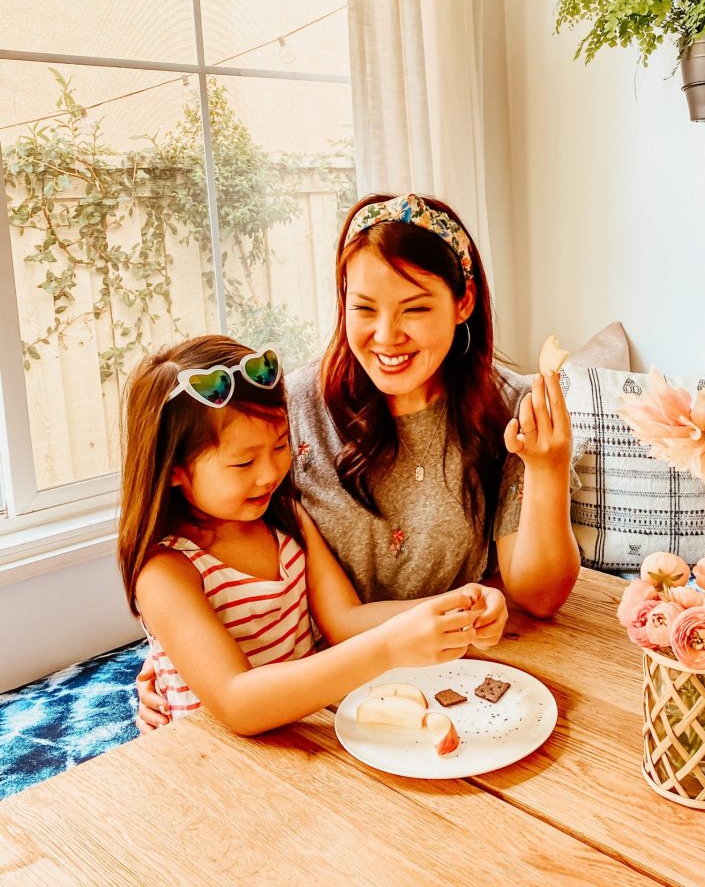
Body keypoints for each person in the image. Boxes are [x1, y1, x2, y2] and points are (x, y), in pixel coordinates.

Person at [135, 192, 580, 730]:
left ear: (463, 303)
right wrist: (174, 656)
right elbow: (200, 531)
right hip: (318, 700)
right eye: (363, 308)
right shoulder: (286, 412)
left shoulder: (508, 409)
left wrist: (548, 470)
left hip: (447, 678)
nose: (386, 336)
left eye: (414, 308)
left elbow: (539, 597)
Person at [118, 334, 506, 735]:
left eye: (280, 445)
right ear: (174, 470)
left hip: (303, 732)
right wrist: (388, 648)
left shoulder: (284, 518)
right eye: (243, 462)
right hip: (220, 758)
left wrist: (456, 606)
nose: (270, 473)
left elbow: (344, 619)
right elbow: (238, 703)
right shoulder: (166, 572)